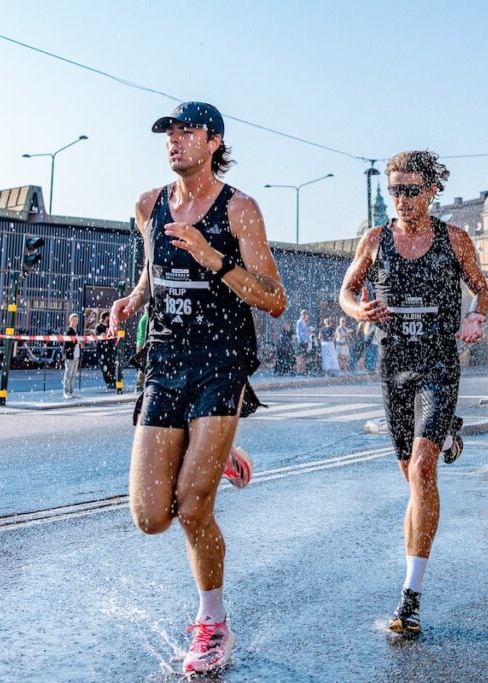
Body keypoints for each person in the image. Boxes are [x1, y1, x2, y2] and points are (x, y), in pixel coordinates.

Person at [108, 102, 287, 674]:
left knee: (191, 507)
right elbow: (153, 268)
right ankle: (216, 451)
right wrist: (134, 299)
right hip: (164, 360)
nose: (174, 141)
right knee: (149, 516)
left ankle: (212, 624)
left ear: (214, 141)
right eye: (169, 133)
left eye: (187, 132)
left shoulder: (241, 209)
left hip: (221, 360)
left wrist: (212, 258)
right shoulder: (147, 205)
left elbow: (273, 297)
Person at [338, 150, 488, 637]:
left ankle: (411, 598)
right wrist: (358, 312)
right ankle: (447, 434)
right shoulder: (376, 239)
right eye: (395, 190)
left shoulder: (455, 240)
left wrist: (475, 315)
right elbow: (346, 292)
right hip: (394, 367)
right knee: (410, 477)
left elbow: (482, 291)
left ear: (430, 190)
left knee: (423, 471)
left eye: (411, 189)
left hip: (439, 365)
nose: (401, 199)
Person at [135, 305, 150, 391]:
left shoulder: (143, 318)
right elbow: (144, 334)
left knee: (143, 364)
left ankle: (140, 385)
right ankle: (139, 385)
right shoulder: (147, 318)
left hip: (141, 343)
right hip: (144, 343)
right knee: (144, 365)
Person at [295, 309, 311, 374]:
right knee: (300, 356)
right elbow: (298, 332)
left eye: (305, 314)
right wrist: (302, 340)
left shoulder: (304, 322)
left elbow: (305, 332)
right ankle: (299, 371)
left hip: (305, 341)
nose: (304, 315)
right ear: (301, 314)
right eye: (303, 314)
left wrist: (308, 340)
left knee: (304, 356)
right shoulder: (299, 322)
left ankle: (303, 371)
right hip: (301, 342)